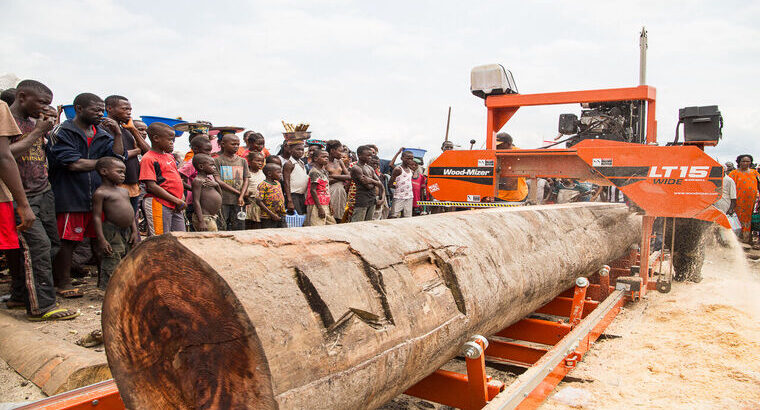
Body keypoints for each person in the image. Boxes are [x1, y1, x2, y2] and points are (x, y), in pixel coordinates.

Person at [6, 80, 73, 319]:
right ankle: (41, 307)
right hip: (19, 195)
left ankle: (20, 295)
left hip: (43, 191)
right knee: (38, 247)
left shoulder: (36, 122)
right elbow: (6, 155)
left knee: (51, 244)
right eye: (42, 102)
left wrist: (43, 131)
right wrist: (37, 132)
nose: (45, 108)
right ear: (22, 97)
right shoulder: (7, 119)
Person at [48, 92, 125, 297]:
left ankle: (107, 283)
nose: (100, 113)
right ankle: (63, 282)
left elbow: (117, 157)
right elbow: (73, 163)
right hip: (71, 194)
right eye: (95, 109)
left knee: (101, 240)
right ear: (79, 109)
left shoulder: (103, 133)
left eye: (102, 110)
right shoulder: (63, 131)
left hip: (99, 195)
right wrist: (106, 165)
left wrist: (117, 134)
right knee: (68, 240)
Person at [91, 157, 138, 290]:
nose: (123, 175)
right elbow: (96, 217)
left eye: (124, 172)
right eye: (119, 172)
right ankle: (110, 289)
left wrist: (134, 230)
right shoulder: (101, 193)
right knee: (112, 258)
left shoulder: (124, 191)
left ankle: (125, 287)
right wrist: (102, 239)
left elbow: (131, 212)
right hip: (111, 230)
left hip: (127, 230)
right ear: (104, 171)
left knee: (127, 257)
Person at [104, 95, 150, 213]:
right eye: (124, 109)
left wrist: (133, 130)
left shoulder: (127, 130)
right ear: (109, 108)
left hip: (133, 185)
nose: (129, 112)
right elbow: (116, 156)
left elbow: (147, 152)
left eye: (130, 109)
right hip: (117, 186)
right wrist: (136, 151)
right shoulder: (104, 129)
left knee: (131, 222)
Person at [139, 122, 185, 235]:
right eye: (169, 139)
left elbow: (176, 178)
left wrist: (180, 197)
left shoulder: (169, 156)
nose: (172, 143)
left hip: (175, 203)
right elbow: (151, 186)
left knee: (181, 237)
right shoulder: (148, 158)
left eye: (173, 140)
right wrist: (176, 200)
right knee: (160, 240)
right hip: (159, 203)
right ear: (156, 138)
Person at [214, 133, 249, 230]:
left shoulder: (242, 161)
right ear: (223, 144)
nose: (236, 146)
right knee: (222, 226)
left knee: (239, 226)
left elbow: (246, 178)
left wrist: (241, 196)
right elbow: (218, 180)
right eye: (233, 144)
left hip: (239, 201)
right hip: (223, 200)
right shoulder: (217, 161)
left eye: (238, 144)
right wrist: (239, 193)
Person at [728, 154, 760, 244]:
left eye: (748, 161)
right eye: (743, 161)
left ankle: (749, 239)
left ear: (751, 162)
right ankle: (739, 239)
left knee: (752, 220)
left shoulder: (754, 173)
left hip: (752, 201)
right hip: (738, 201)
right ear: (739, 162)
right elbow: (728, 186)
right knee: (737, 219)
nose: (745, 163)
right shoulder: (733, 173)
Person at [350, 145, 384, 222]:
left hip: (372, 199)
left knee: (368, 223)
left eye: (371, 156)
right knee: (358, 223)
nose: (370, 157)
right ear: (359, 155)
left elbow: (380, 184)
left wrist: (370, 180)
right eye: (368, 155)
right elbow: (368, 186)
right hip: (362, 200)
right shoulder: (356, 168)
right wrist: (374, 182)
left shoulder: (370, 168)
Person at [191, 154, 222, 232]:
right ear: (201, 167)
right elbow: (196, 201)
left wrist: (217, 185)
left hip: (211, 217)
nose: (214, 167)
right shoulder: (198, 181)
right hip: (204, 218)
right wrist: (201, 221)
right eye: (211, 165)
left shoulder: (208, 180)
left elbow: (220, 196)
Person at [305, 149, 335, 226]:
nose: (326, 158)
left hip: (325, 203)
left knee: (332, 224)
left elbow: (327, 189)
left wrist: (330, 204)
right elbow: (313, 190)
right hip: (316, 204)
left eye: (327, 157)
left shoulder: (324, 171)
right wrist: (319, 208)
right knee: (317, 226)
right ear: (315, 158)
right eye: (323, 157)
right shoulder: (314, 172)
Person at [494, 133, 528, 202]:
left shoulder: (520, 154)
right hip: (499, 195)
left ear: (508, 144)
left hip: (516, 197)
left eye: (499, 145)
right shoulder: (494, 153)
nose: (496, 147)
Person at [325, 140, 349, 222]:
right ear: (332, 151)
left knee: (339, 215)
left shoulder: (339, 161)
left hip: (340, 191)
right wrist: (342, 177)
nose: (342, 154)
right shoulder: (324, 162)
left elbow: (349, 176)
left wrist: (333, 176)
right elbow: (325, 181)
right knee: (330, 215)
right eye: (340, 151)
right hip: (329, 191)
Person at [257, 163, 286, 228]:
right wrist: (271, 214)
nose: (281, 174)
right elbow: (259, 201)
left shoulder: (278, 183)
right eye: (278, 172)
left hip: (280, 214)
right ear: (269, 174)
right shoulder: (263, 185)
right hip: (268, 216)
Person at [282, 141, 308, 215]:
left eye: (302, 150)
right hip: (293, 195)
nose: (300, 152)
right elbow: (286, 182)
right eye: (298, 149)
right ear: (290, 150)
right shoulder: (289, 164)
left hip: (302, 195)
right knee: (297, 216)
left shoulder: (302, 163)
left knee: (303, 216)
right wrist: (289, 200)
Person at [388, 150, 415, 218]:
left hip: (409, 196)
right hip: (399, 197)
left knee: (407, 217)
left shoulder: (410, 170)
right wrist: (398, 187)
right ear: (402, 158)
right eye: (408, 158)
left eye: (411, 158)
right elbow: (390, 184)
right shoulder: (398, 169)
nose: (410, 160)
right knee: (394, 216)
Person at [244, 151, 266, 229]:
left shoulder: (263, 172)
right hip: (249, 200)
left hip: (260, 201)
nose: (260, 163)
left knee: (257, 221)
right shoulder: (247, 173)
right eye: (257, 161)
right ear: (249, 162)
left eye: (262, 161)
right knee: (248, 221)